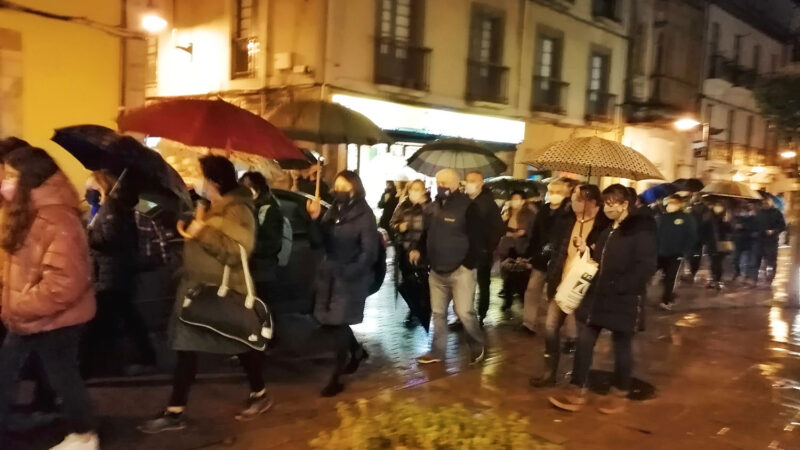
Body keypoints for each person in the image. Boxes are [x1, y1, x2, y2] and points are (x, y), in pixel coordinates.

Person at [139, 156, 271, 434]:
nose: (197, 181)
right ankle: (176, 411)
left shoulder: (238, 210)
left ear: (213, 181)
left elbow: (238, 251)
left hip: (218, 294)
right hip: (198, 292)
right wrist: (192, 226)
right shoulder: (214, 206)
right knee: (187, 349)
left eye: (200, 176)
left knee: (239, 345)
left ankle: (260, 393)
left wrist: (202, 232)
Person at [0, 147, 99, 449]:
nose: (5, 181)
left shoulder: (57, 218)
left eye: (12, 176)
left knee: (63, 379)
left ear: (32, 178)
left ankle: (84, 436)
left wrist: (19, 304)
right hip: (29, 314)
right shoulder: (26, 213)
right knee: (7, 372)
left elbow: (65, 281)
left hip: (54, 318)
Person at [549, 184, 656, 415]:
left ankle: (620, 392)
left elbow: (646, 266)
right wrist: (585, 250)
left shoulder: (640, 231)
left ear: (624, 204)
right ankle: (577, 388)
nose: (607, 208)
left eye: (611, 203)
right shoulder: (609, 230)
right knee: (585, 341)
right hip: (597, 298)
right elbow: (599, 259)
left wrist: (620, 286)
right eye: (605, 203)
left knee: (622, 347)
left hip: (624, 300)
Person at [530, 184, 610, 388]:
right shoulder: (566, 221)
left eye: (578, 198)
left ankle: (578, 379)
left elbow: (605, 257)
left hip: (586, 288)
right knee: (550, 328)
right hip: (561, 284)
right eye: (573, 196)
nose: (573, 201)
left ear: (591, 202)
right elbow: (557, 250)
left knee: (584, 336)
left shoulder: (603, 226)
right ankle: (549, 373)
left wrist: (590, 248)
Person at [306, 170, 377, 397]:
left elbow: (369, 253)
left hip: (349, 278)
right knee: (329, 322)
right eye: (336, 186)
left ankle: (337, 377)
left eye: (344, 187)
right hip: (329, 275)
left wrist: (349, 272)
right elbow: (318, 242)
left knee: (337, 325)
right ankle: (355, 351)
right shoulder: (333, 211)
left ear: (355, 188)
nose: (339, 191)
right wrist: (315, 219)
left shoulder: (365, 216)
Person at [81, 170, 157, 377]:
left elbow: (110, 238)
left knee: (103, 320)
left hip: (112, 272)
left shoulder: (112, 209)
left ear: (104, 188)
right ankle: (142, 357)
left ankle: (89, 367)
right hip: (111, 272)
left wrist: (86, 236)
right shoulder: (104, 209)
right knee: (125, 317)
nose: (88, 192)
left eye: (93, 188)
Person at [412, 169, 486, 365]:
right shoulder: (434, 207)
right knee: (438, 313)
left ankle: (477, 343)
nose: (440, 185)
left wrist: (467, 265)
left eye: (444, 182)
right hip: (436, 270)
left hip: (460, 271)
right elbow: (427, 233)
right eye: (438, 181)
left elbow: (478, 239)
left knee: (464, 312)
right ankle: (437, 351)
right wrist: (419, 249)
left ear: (454, 184)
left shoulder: (469, 207)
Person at [522, 178, 573, 335]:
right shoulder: (544, 210)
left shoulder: (568, 212)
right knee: (532, 290)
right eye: (552, 192)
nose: (554, 195)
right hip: (541, 258)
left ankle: (567, 331)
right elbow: (536, 233)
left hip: (558, 259)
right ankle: (528, 323)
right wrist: (530, 254)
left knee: (560, 296)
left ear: (565, 194)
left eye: (558, 192)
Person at [465, 172, 504, 327]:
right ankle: (465, 314)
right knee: (465, 285)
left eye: (472, 181)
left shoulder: (488, 203)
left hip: (482, 252)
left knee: (482, 284)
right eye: (467, 180)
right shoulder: (464, 201)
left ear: (481, 183)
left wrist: (487, 247)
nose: (469, 184)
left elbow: (498, 228)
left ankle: (481, 314)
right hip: (466, 251)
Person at [391, 180, 430, 329]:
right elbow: (392, 222)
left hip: (422, 250)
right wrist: (399, 226)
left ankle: (423, 310)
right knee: (407, 282)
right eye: (413, 189)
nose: (416, 192)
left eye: (419, 189)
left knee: (423, 281)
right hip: (405, 249)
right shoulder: (403, 205)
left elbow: (430, 227)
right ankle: (414, 309)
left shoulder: (428, 207)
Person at [240, 171, 284, 294]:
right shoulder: (249, 207)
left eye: (248, 186)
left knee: (262, 307)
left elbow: (272, 245)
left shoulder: (269, 210)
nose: (244, 190)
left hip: (263, 273)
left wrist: (248, 246)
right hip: (251, 269)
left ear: (257, 189)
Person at [655, 195, 698, 310]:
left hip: (675, 255)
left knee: (671, 278)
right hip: (660, 253)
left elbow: (691, 237)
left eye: (673, 203)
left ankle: (667, 300)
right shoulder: (662, 217)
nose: (670, 205)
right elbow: (656, 234)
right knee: (648, 274)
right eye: (669, 203)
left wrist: (685, 252)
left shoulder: (687, 219)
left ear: (679, 204)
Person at [498, 191, 535, 310]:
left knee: (520, 277)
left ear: (523, 200)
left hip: (521, 247)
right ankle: (508, 300)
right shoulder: (507, 211)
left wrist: (510, 233)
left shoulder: (528, 213)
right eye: (513, 198)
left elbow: (524, 231)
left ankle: (524, 303)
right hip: (507, 247)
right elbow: (500, 225)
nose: (515, 201)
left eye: (517, 198)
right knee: (507, 275)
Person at [751, 197, 786, 287]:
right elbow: (754, 225)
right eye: (764, 202)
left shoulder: (777, 213)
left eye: (767, 201)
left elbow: (783, 226)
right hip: (759, 240)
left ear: (771, 202)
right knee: (756, 261)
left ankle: (770, 280)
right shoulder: (759, 213)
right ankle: (754, 280)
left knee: (771, 261)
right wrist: (755, 232)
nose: (765, 203)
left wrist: (774, 231)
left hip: (771, 241)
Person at [702, 201, 733, 291]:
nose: (718, 208)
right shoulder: (708, 216)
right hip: (711, 243)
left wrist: (727, 222)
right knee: (712, 263)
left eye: (720, 206)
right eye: (717, 206)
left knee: (718, 263)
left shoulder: (725, 217)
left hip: (722, 243)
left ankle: (718, 280)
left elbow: (730, 230)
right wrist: (705, 240)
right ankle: (713, 279)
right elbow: (703, 229)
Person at [732, 202, 758, 285]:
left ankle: (744, 275)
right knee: (736, 259)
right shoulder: (738, 218)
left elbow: (753, 229)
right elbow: (733, 228)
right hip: (738, 242)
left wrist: (743, 227)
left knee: (745, 260)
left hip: (747, 243)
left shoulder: (753, 219)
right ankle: (738, 273)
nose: (743, 212)